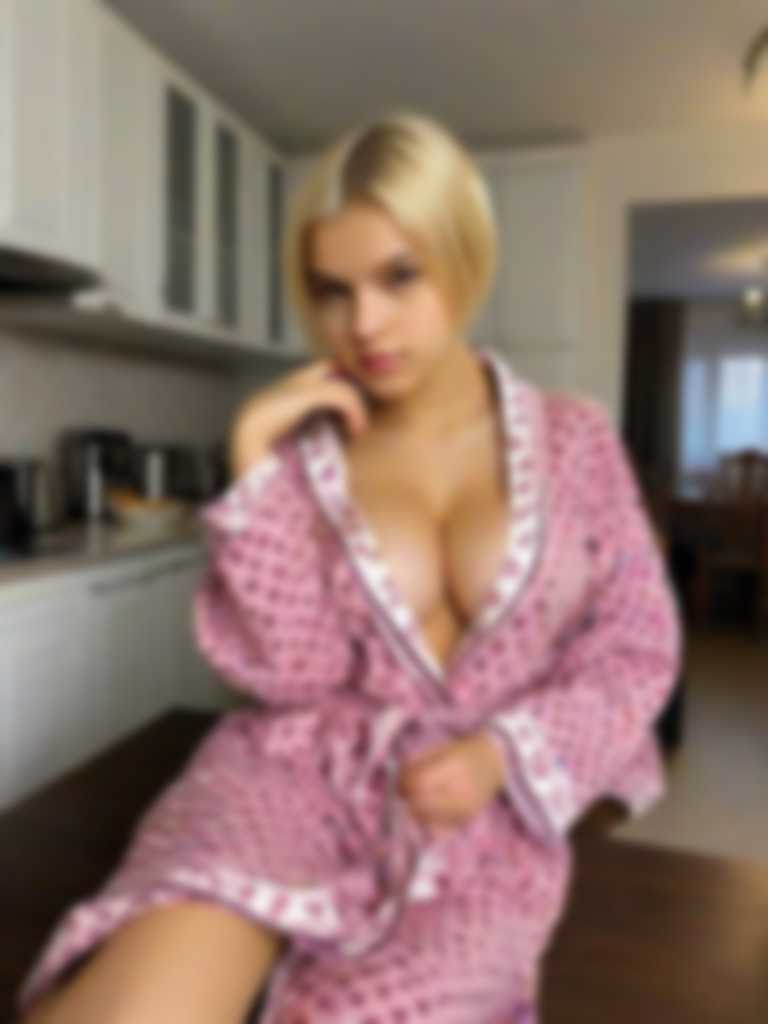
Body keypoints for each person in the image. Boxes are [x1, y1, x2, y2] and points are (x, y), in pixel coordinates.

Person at [17, 109, 682, 1024]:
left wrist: (502, 754)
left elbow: (637, 647)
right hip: (292, 776)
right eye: (333, 290)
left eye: (399, 276)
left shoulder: (575, 439)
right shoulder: (306, 456)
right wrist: (252, 462)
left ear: (466, 256)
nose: (363, 323)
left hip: (479, 812)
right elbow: (296, 676)